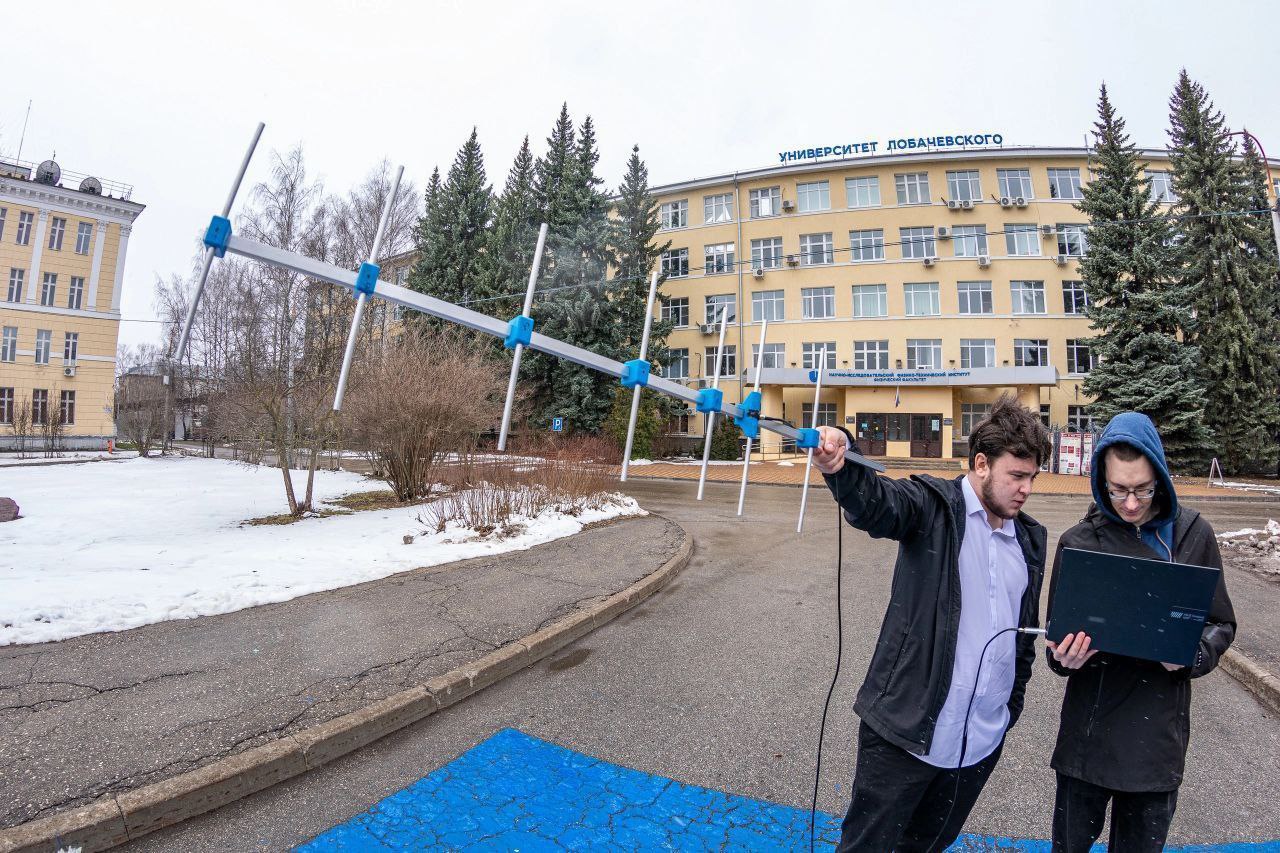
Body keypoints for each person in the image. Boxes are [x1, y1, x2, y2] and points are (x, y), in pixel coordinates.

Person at [812, 397, 1052, 852]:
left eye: (1032, 478)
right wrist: (841, 466)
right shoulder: (933, 507)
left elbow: (1023, 637)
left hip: (978, 743)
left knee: (925, 847)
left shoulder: (1029, 539)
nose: (1025, 489)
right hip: (907, 734)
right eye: (1016, 476)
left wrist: (1007, 711)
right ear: (981, 464)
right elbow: (880, 503)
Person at [1045, 412, 1235, 852]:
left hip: (1156, 739)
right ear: (1100, 480)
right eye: (1118, 490)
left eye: (1143, 490)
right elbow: (1056, 640)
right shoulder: (1080, 541)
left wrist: (1194, 654)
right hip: (1088, 735)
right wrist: (1063, 658)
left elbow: (1220, 623)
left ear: (1161, 478)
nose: (1131, 504)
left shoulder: (1193, 535)